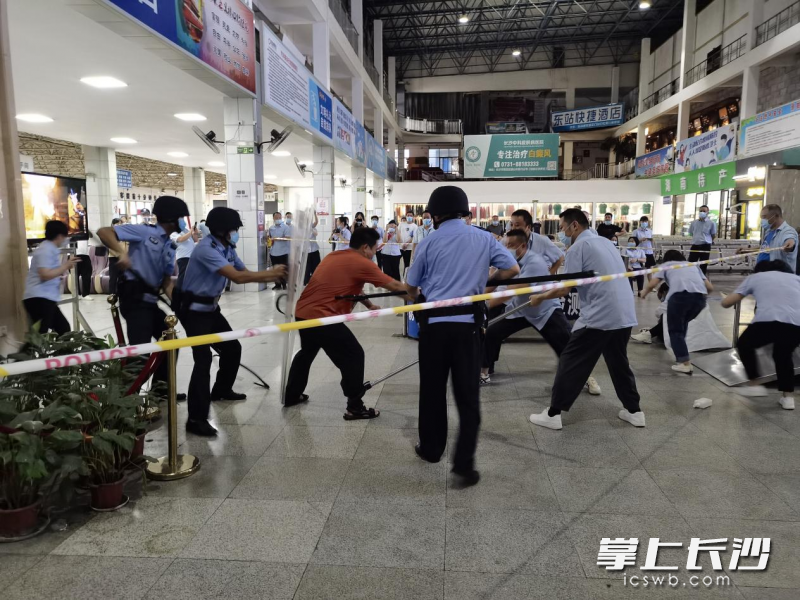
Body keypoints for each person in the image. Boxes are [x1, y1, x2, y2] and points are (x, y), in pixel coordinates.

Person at [406, 186, 520, 486]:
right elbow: (512, 269)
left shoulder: (429, 242)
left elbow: (411, 286)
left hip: (434, 328)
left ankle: (431, 449)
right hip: (468, 327)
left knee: (432, 390)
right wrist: (485, 280)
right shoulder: (484, 238)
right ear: (464, 212)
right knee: (468, 397)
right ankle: (464, 464)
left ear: (436, 214)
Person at [527, 209, 644, 431]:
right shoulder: (606, 242)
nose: (561, 233)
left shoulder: (578, 247)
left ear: (574, 226)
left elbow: (565, 289)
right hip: (624, 313)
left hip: (600, 315)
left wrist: (540, 297)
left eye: (562, 228)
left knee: (570, 361)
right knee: (619, 363)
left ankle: (553, 414)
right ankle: (634, 411)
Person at [175, 208, 286, 436]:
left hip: (211, 308)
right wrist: (272, 273)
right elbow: (237, 277)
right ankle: (196, 419)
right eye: (234, 229)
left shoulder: (227, 247)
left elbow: (244, 271)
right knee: (203, 360)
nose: (236, 233)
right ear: (223, 230)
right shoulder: (207, 249)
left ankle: (221, 390)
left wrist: (271, 274)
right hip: (194, 310)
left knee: (231, 348)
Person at [285, 227, 408, 416]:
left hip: (303, 313)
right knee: (354, 355)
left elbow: (350, 286)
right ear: (366, 247)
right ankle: (354, 406)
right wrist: (421, 298)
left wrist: (369, 305)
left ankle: (292, 395)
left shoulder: (334, 257)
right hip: (323, 317)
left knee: (306, 353)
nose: (376, 253)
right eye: (375, 248)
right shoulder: (362, 263)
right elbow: (396, 286)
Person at [480, 229, 601, 395]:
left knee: (566, 344)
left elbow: (512, 290)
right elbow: (496, 279)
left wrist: (485, 306)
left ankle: (586, 377)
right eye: (507, 245)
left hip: (545, 310)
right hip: (521, 310)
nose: (508, 249)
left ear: (523, 246)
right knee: (492, 332)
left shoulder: (534, 262)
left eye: (512, 246)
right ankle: (484, 372)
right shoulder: (510, 261)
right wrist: (479, 296)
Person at [97, 196, 190, 393]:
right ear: (172, 218)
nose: (183, 221)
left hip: (149, 301)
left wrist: (179, 304)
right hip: (134, 297)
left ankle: (160, 391)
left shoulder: (169, 245)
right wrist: (121, 253)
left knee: (170, 342)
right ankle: (125, 402)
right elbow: (103, 232)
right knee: (140, 352)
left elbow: (165, 281)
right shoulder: (144, 232)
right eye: (181, 217)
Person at [721, 260, 800, 410]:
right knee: (783, 355)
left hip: (768, 321)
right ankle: (788, 398)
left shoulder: (756, 277)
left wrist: (724, 301)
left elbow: (728, 302)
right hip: (796, 324)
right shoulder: (796, 278)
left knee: (744, 344)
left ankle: (754, 383)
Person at [640, 250, 713, 374]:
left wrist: (644, 292)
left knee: (675, 330)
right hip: (700, 299)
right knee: (682, 326)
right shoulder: (692, 265)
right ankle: (682, 356)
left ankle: (684, 362)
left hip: (680, 297)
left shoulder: (667, 265)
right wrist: (698, 297)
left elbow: (653, 283)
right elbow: (710, 288)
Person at [23, 220, 81, 335]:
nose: (65, 240)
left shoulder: (50, 248)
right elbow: (45, 274)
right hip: (38, 299)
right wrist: (66, 266)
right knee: (40, 335)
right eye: (65, 237)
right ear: (60, 236)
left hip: (46, 298)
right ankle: (27, 352)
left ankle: (61, 353)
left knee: (63, 329)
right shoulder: (46, 250)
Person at [738, 204, 798, 273]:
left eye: (764, 217)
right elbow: (766, 248)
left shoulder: (787, 231)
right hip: (762, 273)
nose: (762, 220)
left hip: (779, 276)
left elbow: (790, 239)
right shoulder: (769, 231)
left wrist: (790, 244)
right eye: (761, 217)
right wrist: (747, 250)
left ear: (776, 216)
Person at [509, 209, 564, 274]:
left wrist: (548, 276)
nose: (513, 228)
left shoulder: (542, 241)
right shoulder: (508, 242)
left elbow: (560, 257)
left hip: (536, 282)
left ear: (528, 227)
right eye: (511, 225)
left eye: (517, 225)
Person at [170, 218, 198, 289]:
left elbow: (195, 240)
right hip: (183, 257)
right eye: (181, 221)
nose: (183, 222)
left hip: (191, 257)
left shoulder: (186, 230)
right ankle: (179, 294)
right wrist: (190, 232)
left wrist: (195, 233)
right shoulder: (174, 232)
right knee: (183, 276)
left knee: (190, 277)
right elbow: (181, 239)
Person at [688, 205, 716, 275]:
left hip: (705, 246)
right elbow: (691, 233)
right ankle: (690, 278)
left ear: (707, 212)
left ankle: (702, 280)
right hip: (695, 246)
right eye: (701, 211)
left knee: (703, 265)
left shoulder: (711, 223)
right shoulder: (694, 223)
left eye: (704, 211)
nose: (702, 212)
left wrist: (709, 241)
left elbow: (713, 235)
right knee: (691, 264)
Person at [268, 212, 291, 290]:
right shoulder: (271, 228)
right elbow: (270, 238)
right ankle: (277, 284)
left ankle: (284, 284)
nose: (278, 219)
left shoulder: (285, 227)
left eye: (279, 218)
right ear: (273, 219)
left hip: (283, 252)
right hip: (273, 252)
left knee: (283, 269)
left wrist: (277, 238)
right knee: (275, 269)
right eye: (276, 218)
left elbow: (288, 238)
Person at [632, 216, 655, 280]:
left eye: (646, 221)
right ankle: (639, 285)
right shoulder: (636, 231)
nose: (644, 223)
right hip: (640, 252)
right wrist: (640, 240)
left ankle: (651, 286)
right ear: (640, 222)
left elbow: (652, 241)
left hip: (649, 251)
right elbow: (632, 242)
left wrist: (651, 240)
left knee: (650, 270)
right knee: (639, 270)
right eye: (643, 221)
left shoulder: (650, 231)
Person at [108, 218, 126, 294]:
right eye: (117, 224)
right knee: (113, 277)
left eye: (120, 224)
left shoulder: (123, 234)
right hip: (113, 258)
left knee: (122, 277)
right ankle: (112, 294)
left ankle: (121, 293)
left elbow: (126, 245)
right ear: (112, 224)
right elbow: (110, 247)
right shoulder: (110, 234)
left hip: (122, 258)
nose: (118, 225)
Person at [304, 213, 321, 285]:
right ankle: (306, 281)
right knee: (307, 267)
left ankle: (316, 281)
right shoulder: (302, 229)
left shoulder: (313, 228)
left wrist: (310, 228)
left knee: (316, 267)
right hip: (306, 252)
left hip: (314, 251)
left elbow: (316, 233)